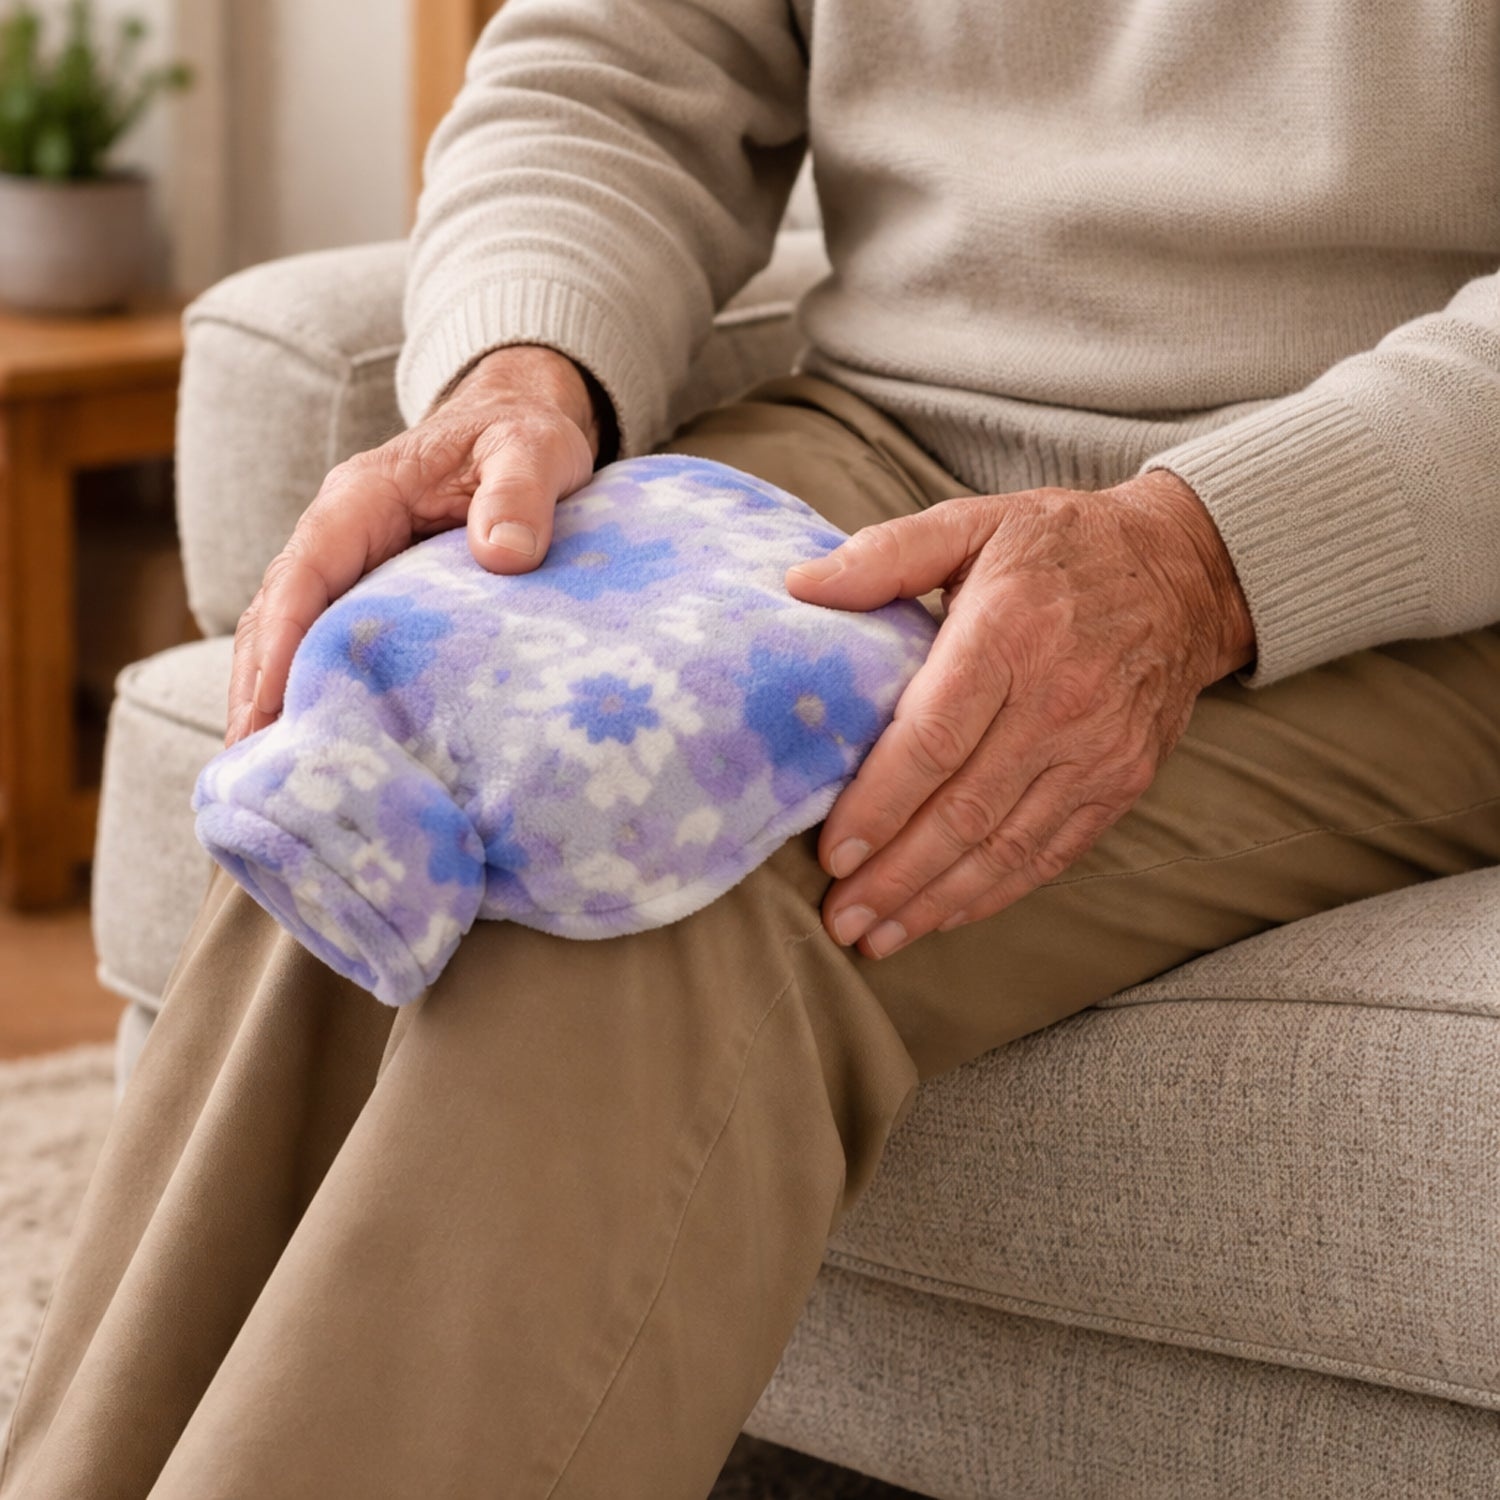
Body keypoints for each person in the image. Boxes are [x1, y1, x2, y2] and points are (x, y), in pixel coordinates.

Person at [4, 1, 1499, 1496]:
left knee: (661, 873)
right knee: (382, 748)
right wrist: (516, 371)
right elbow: (614, 61)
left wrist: (1200, 559)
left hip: (1386, 561)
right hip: (874, 440)